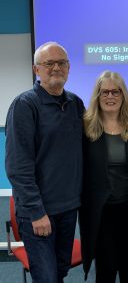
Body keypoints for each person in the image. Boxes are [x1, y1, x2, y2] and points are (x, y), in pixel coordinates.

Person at [5, 41, 84, 283]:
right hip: (39, 212)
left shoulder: (75, 104)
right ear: (36, 70)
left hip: (68, 208)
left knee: (59, 271)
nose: (56, 68)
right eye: (49, 63)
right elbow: (18, 167)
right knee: (46, 277)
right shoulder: (25, 105)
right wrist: (36, 212)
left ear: (69, 68)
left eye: (61, 63)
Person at [79, 70, 128, 283]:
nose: (110, 96)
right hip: (100, 210)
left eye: (115, 92)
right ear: (97, 96)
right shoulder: (85, 126)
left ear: (123, 94)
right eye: (104, 92)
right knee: (106, 267)